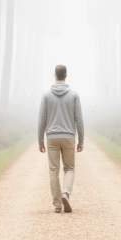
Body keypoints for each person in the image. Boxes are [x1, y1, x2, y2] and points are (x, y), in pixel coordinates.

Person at [37, 64, 84, 213]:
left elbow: (42, 119)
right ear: (66, 75)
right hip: (69, 136)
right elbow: (79, 119)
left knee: (53, 170)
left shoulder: (46, 95)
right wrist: (81, 140)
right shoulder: (74, 95)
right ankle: (66, 194)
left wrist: (40, 140)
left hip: (52, 137)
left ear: (55, 75)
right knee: (69, 168)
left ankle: (57, 204)